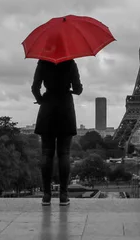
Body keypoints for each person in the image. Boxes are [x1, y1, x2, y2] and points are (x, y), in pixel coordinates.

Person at [32, 59, 83, 206]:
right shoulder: (70, 62)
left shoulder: (43, 62)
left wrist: (41, 100)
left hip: (47, 107)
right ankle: (63, 195)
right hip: (65, 107)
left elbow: (35, 88)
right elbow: (78, 89)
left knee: (46, 153)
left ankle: (46, 195)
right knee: (64, 153)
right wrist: (75, 90)